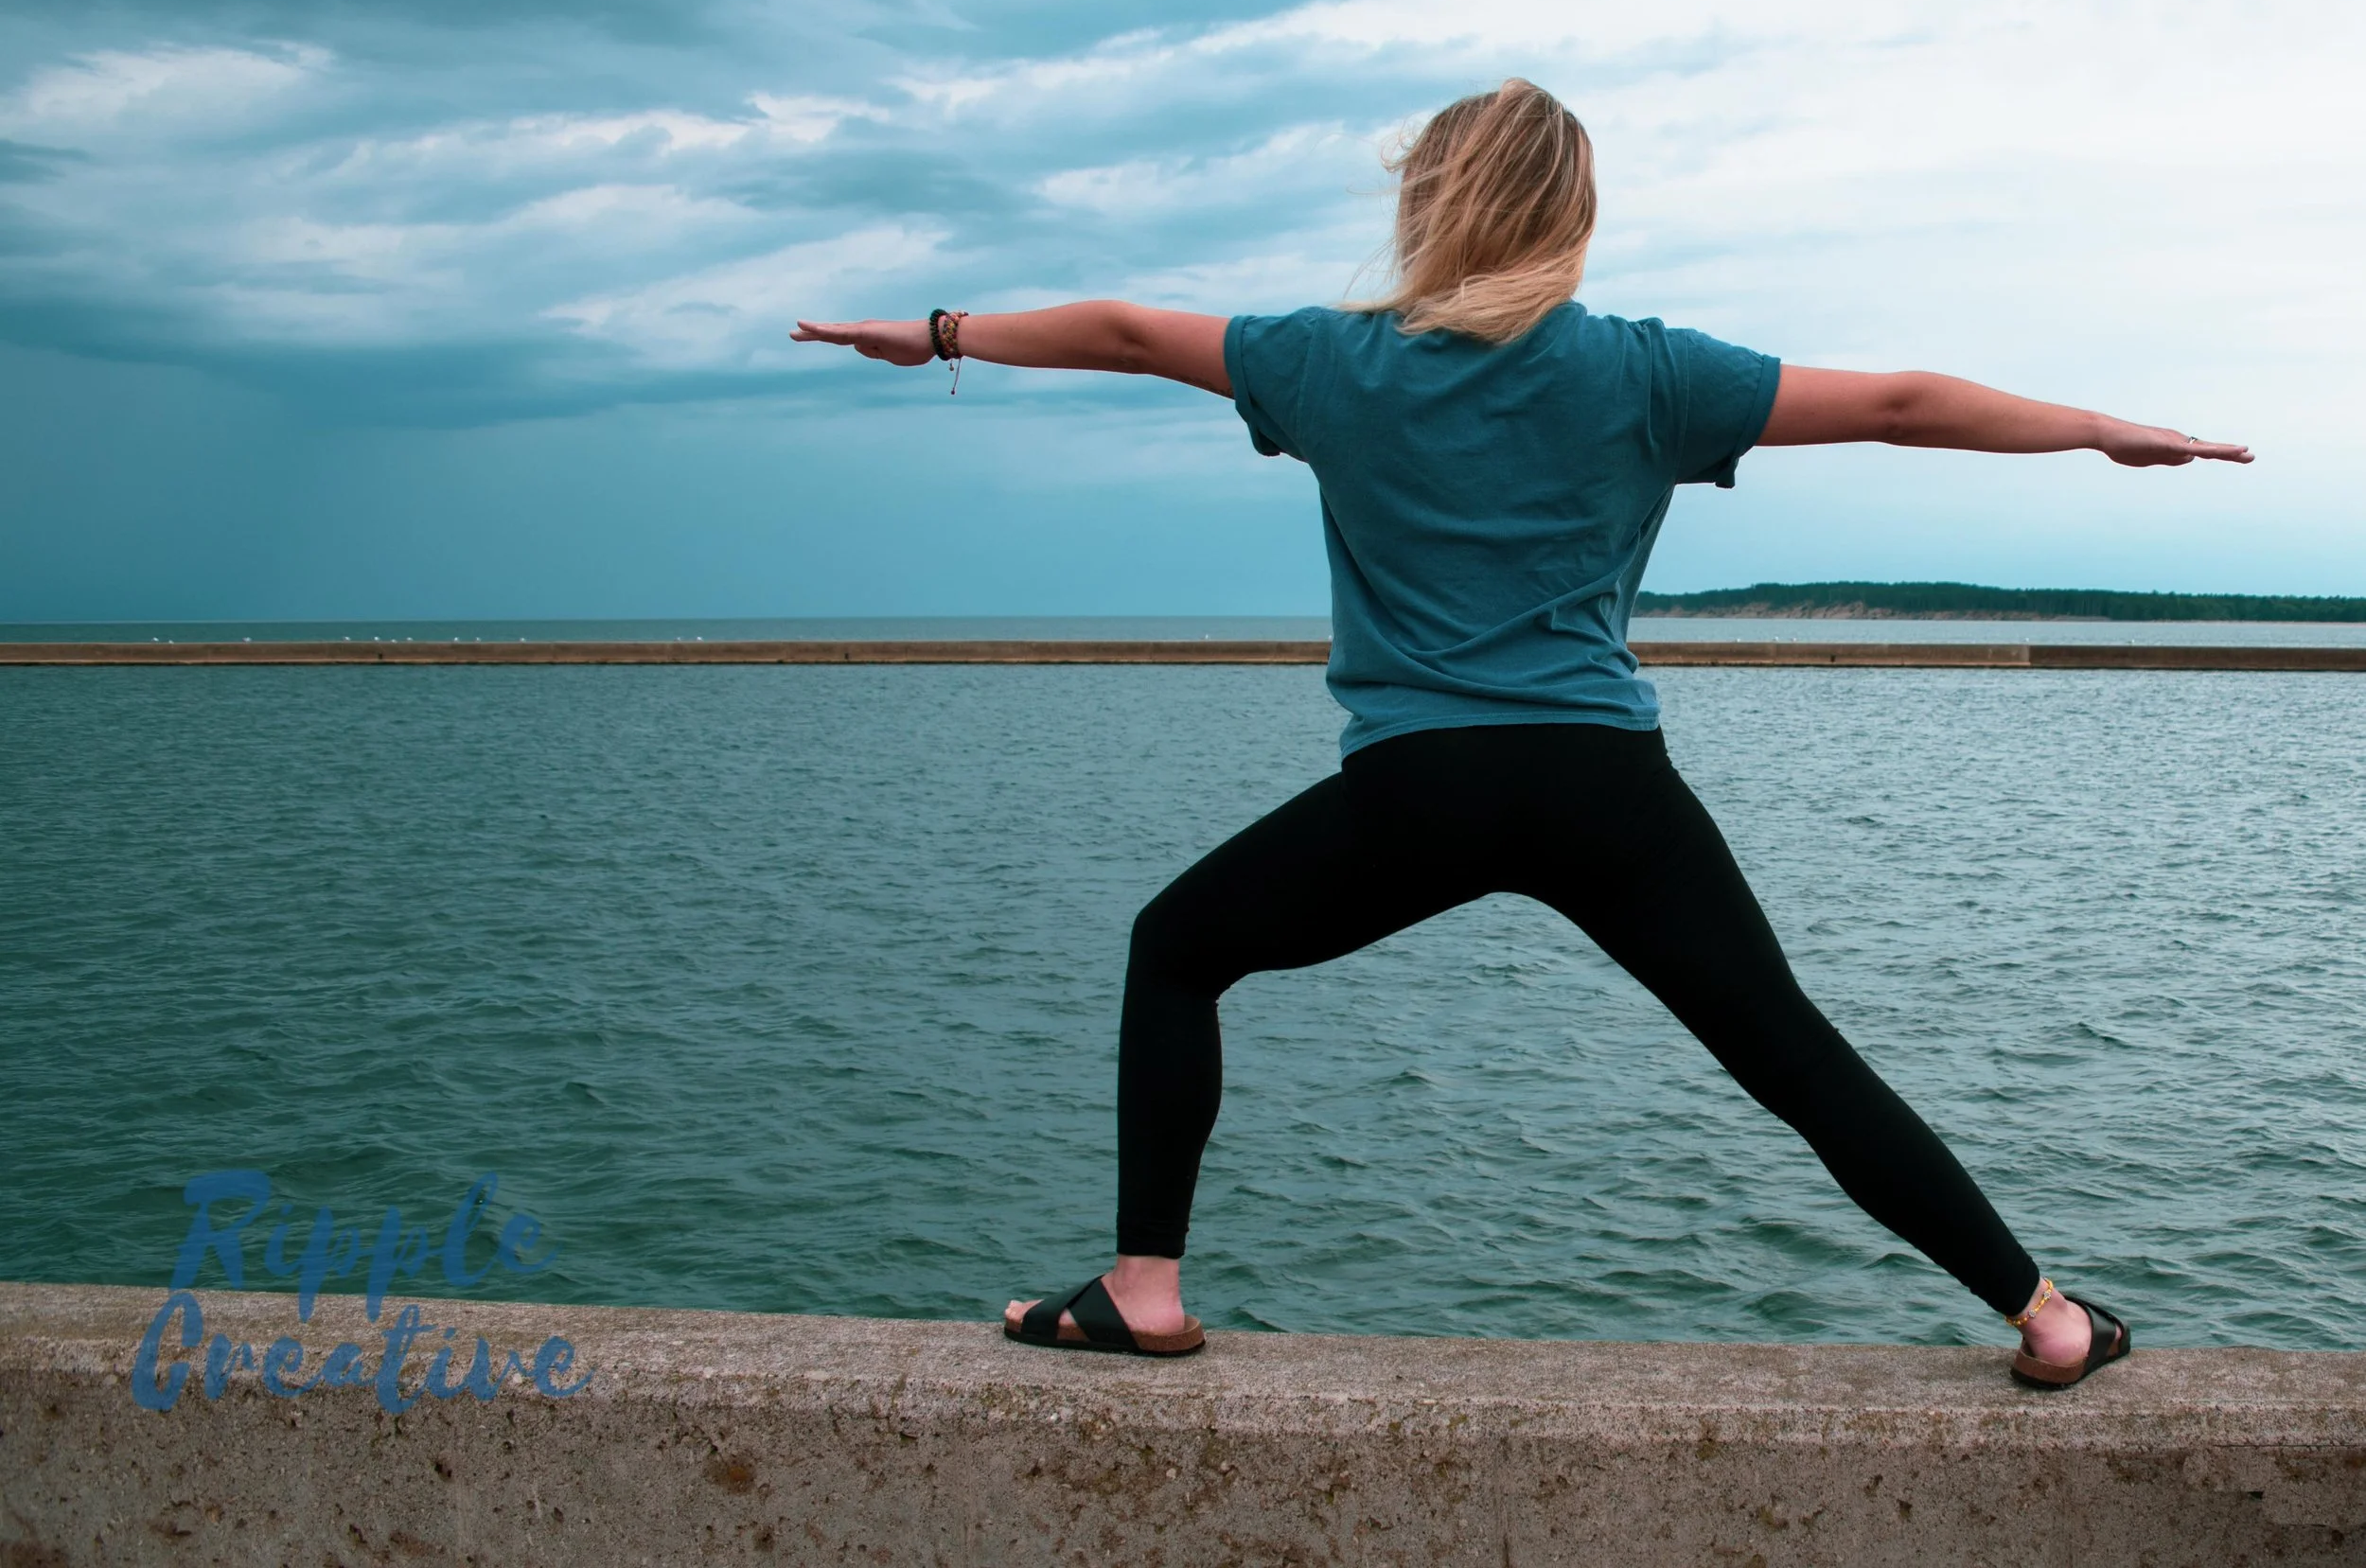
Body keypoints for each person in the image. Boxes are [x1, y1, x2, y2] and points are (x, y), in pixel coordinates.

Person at [793, 78, 2251, 1385]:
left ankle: (1146, 1290)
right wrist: (2105, 427)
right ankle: (2050, 1316)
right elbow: (1901, 401)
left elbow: (1117, 328)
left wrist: (937, 336)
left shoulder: (1327, 362)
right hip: (1603, 781)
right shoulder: (1648, 371)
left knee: (1179, 949)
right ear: (1574, 215)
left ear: (1428, 203)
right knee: (1790, 1052)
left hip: (1421, 786)